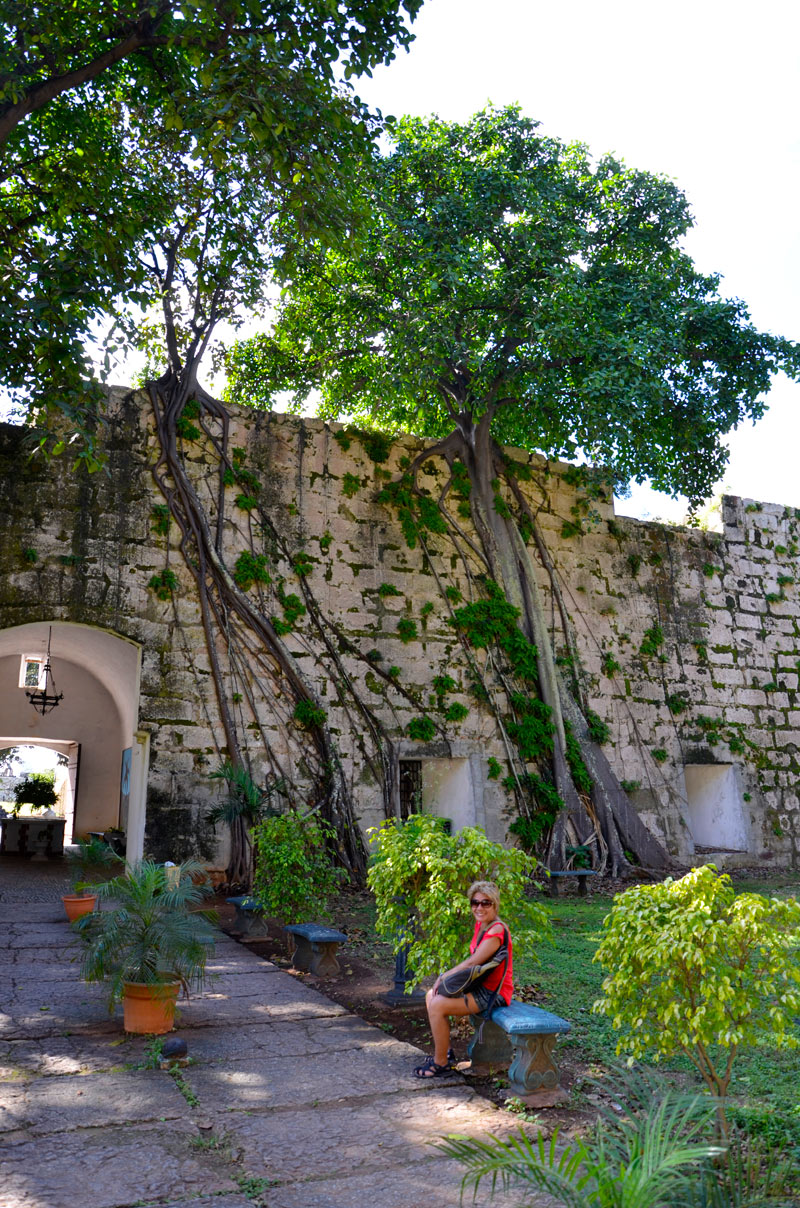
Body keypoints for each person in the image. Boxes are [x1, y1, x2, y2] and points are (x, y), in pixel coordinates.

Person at [413, 880, 513, 1078]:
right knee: (430, 996)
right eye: (475, 903)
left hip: (493, 993)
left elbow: (471, 963)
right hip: (479, 987)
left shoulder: (496, 931)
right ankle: (446, 1053)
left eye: (486, 903)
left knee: (437, 1005)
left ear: (495, 904)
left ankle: (440, 1063)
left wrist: (443, 976)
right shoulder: (482, 925)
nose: (479, 907)